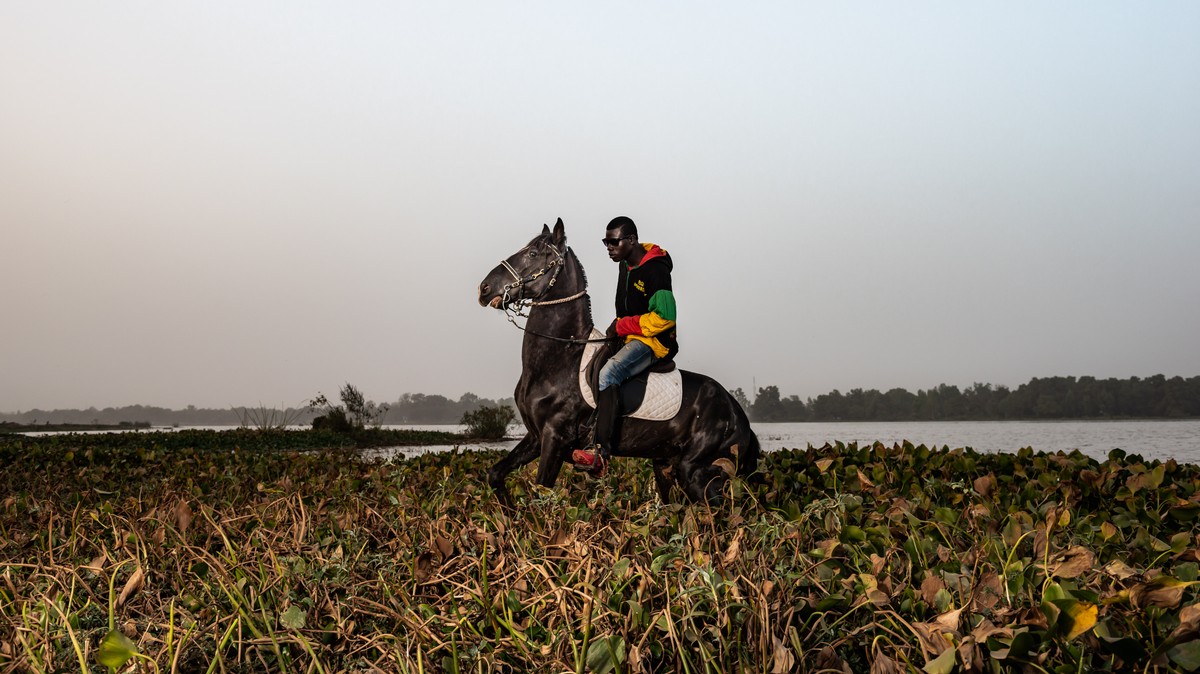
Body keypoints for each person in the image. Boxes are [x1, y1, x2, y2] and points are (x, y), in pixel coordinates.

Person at [573, 216, 677, 474]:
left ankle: (601, 453)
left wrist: (622, 326)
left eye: (613, 242)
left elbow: (665, 317)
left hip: (653, 342)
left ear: (631, 240)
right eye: (605, 242)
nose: (609, 247)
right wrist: (617, 326)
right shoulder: (625, 265)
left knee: (610, 373)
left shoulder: (656, 270)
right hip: (629, 335)